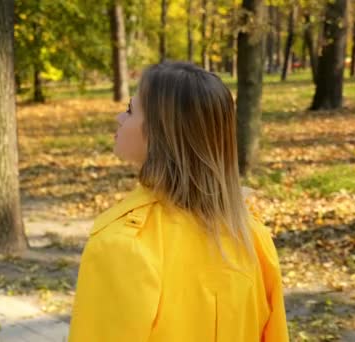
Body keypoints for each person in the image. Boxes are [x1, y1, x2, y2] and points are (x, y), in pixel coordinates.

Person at [68, 62, 288, 342]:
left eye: (130, 111)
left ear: (161, 133)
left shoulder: (124, 244)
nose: (118, 118)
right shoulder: (251, 236)